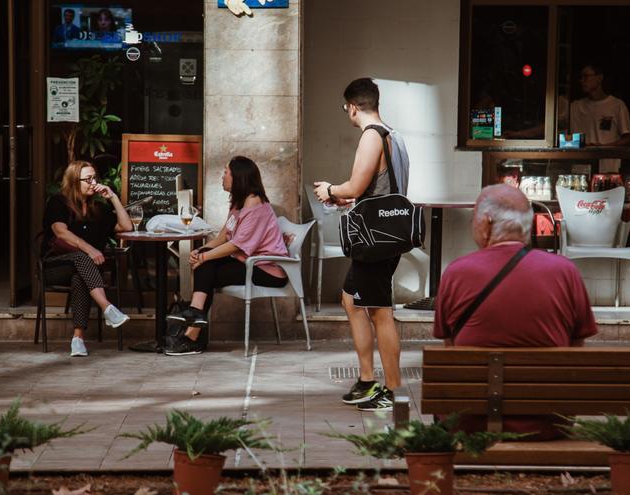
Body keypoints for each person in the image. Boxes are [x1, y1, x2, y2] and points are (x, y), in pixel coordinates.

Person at [433, 184, 597, 439]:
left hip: (471, 424)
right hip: (546, 425)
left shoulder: (456, 273)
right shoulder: (565, 272)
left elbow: (451, 346)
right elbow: (575, 350)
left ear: (486, 222)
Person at [313, 77, 411, 413]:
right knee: (351, 300)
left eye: (346, 109)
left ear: (353, 106)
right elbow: (378, 188)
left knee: (380, 312)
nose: (348, 114)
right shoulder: (393, 136)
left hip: (376, 239)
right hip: (384, 232)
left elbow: (356, 184)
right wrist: (352, 197)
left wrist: (331, 190)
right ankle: (368, 379)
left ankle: (392, 390)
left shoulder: (372, 136)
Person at [163, 156, 289, 356]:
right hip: (248, 263)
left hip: (268, 270)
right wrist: (201, 251)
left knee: (207, 267)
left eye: (226, 172)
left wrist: (205, 257)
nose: (222, 176)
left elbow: (236, 244)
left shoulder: (255, 205)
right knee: (207, 263)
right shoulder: (239, 203)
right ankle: (193, 327)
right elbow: (224, 235)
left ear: (238, 177)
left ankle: (193, 328)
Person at [42, 160, 133, 357]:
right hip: (56, 267)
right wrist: (89, 248)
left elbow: (126, 227)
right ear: (75, 181)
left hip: (83, 271)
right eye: (88, 179)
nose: (93, 182)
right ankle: (107, 308)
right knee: (81, 259)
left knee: (79, 277)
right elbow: (60, 232)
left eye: (94, 178)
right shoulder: (58, 202)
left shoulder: (98, 209)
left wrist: (113, 198)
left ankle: (78, 340)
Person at [569, 63, 630, 172]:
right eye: (581, 77)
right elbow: (556, 126)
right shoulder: (575, 106)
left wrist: (603, 147)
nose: (582, 81)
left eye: (586, 76)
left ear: (599, 78)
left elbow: (628, 139)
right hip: (581, 170)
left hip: (608, 169)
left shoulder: (617, 105)